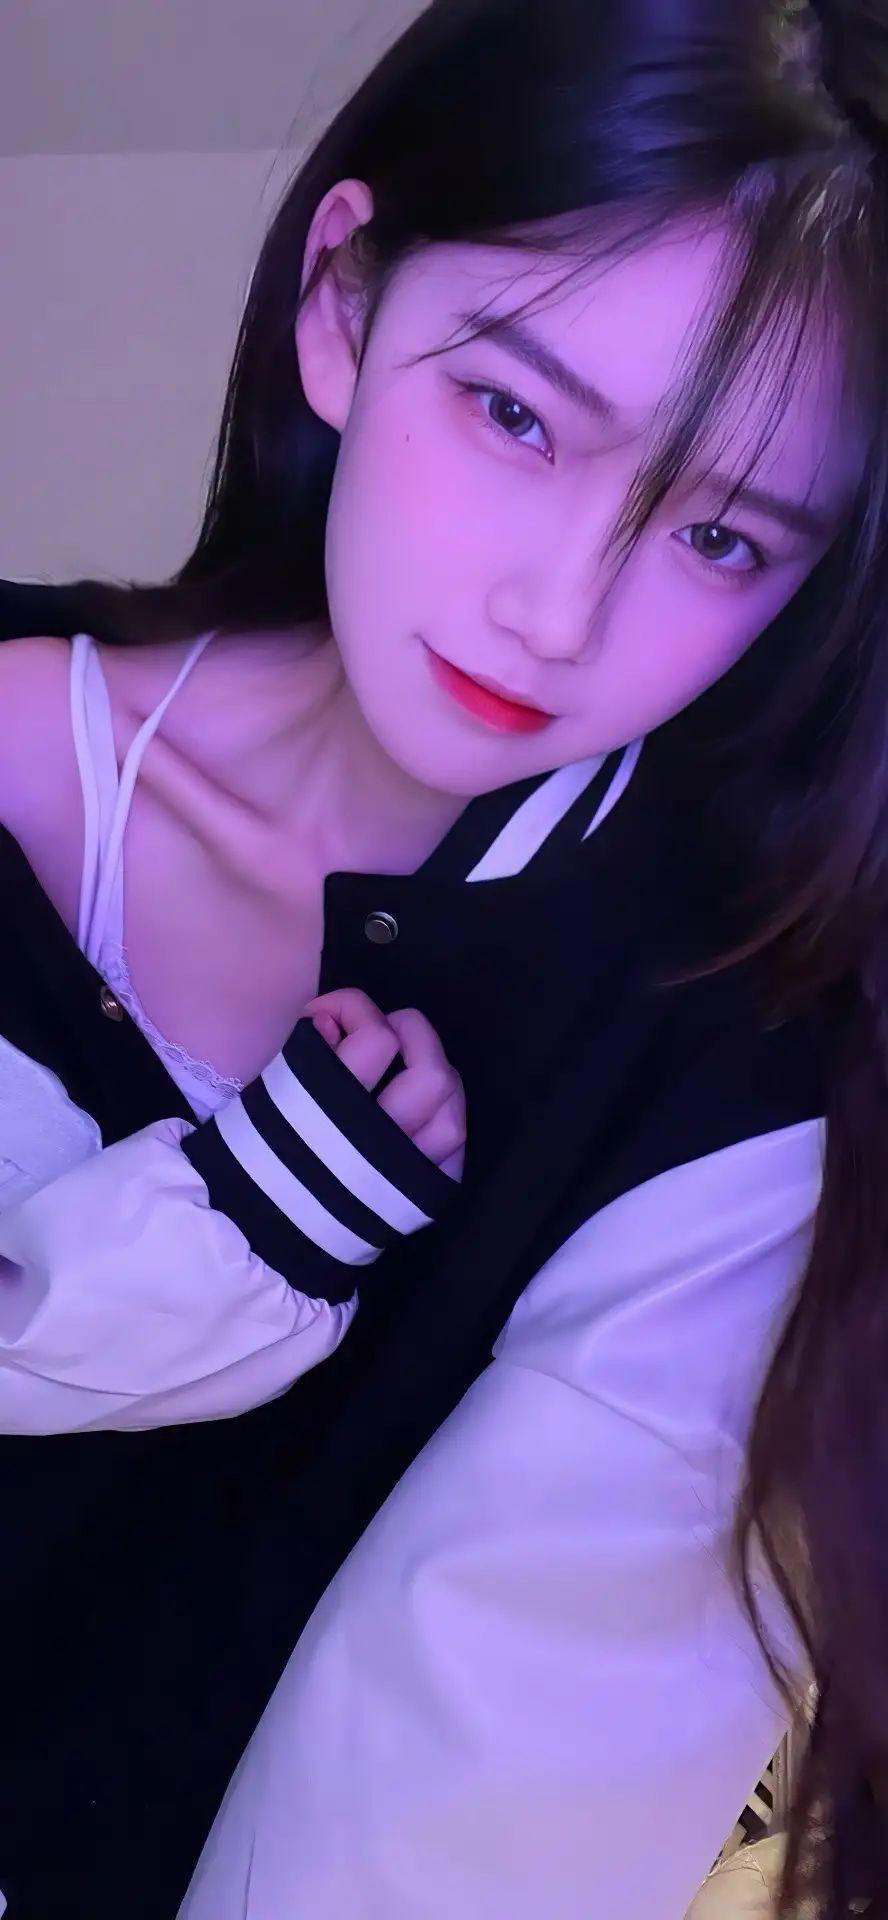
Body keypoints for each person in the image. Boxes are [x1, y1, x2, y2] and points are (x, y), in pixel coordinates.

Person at [1, 0, 887, 1913]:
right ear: (342, 306)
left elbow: (443, 1840)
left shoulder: (714, 1092)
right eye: (516, 416)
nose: (559, 612)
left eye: (723, 540)